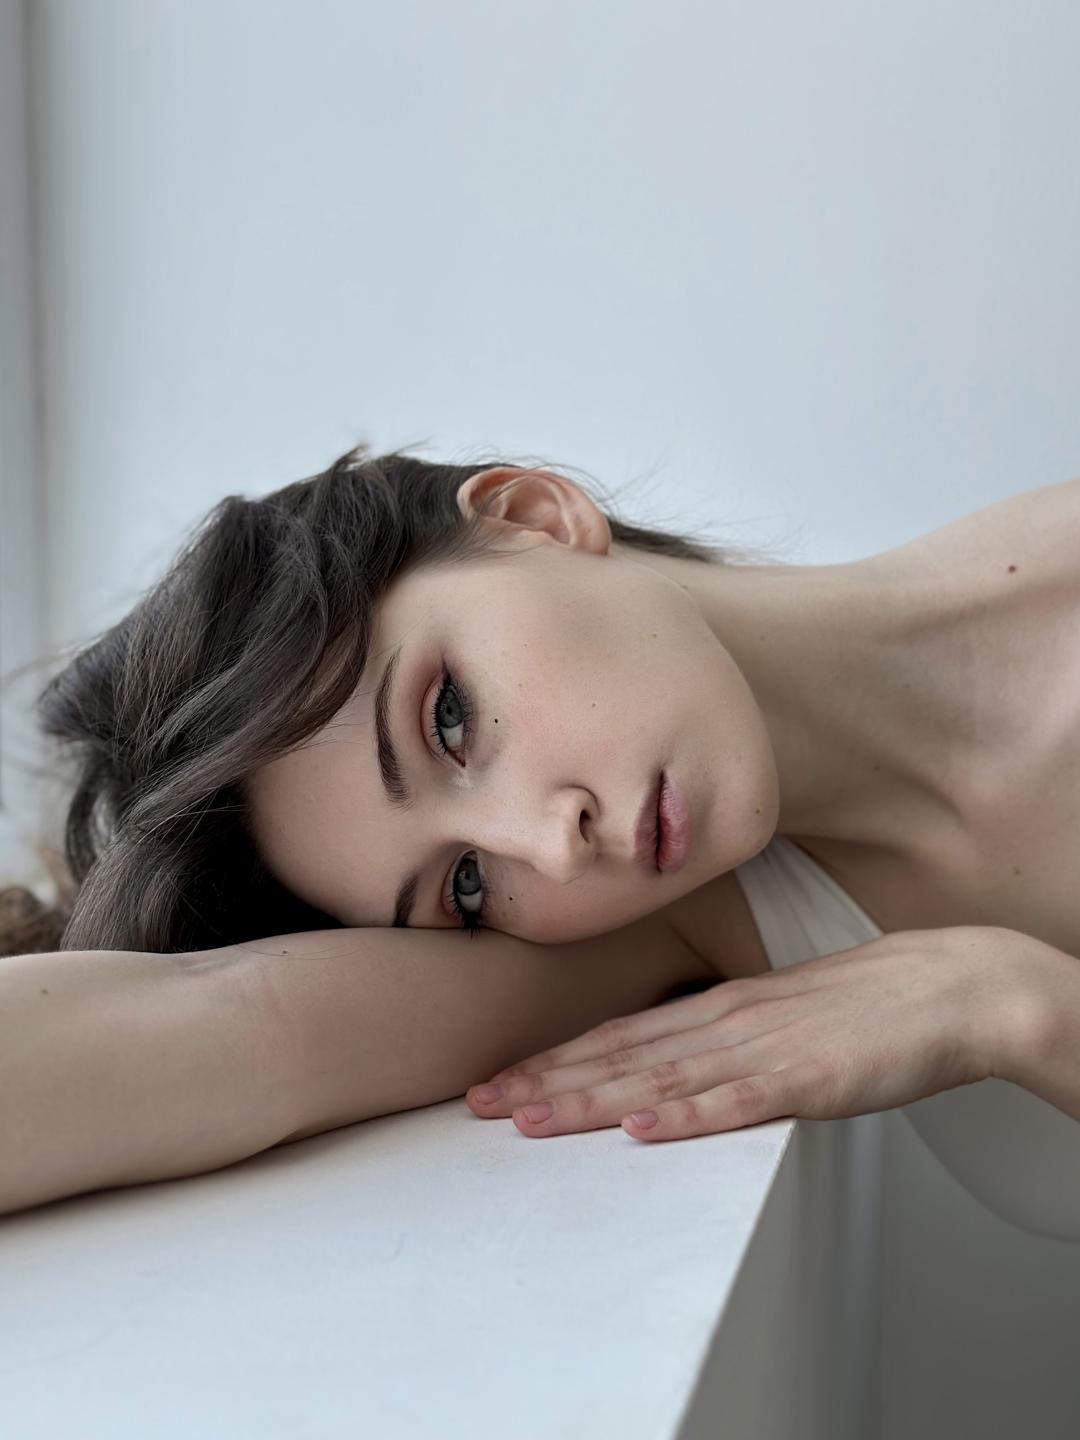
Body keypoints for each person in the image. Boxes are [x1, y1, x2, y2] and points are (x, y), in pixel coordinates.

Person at [2, 441, 1079, 1219]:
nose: (550, 847)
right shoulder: (666, 927)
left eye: (449, 720)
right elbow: (224, 1025)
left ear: (532, 515)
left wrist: (1023, 1004)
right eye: (465, 885)